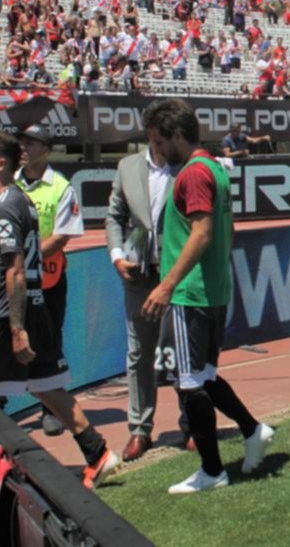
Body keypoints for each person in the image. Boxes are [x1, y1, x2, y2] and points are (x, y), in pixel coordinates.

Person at [0, 132, 119, 489]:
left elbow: (14, 269)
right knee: (48, 390)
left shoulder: (3, 207)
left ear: (0, 164)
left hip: (6, 315)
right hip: (35, 309)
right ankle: (97, 453)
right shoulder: (20, 202)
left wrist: (15, 329)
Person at [140, 99, 274, 494]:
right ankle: (252, 429)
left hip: (190, 294)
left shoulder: (194, 174)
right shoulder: (215, 167)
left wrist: (166, 286)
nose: (156, 150)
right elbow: (225, 232)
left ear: (177, 135)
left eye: (158, 141)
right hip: (211, 290)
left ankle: (213, 470)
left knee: (190, 383)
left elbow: (202, 233)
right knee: (203, 375)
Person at [105, 139, 190, 462]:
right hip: (138, 275)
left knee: (181, 350)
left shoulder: (188, 166)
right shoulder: (127, 167)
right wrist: (116, 256)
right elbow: (114, 216)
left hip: (177, 275)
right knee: (138, 353)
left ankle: (191, 425)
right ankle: (140, 429)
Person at [15, 125, 84, 438]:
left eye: (31, 142)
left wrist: (23, 257)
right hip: (14, 282)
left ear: (46, 149)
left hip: (49, 280)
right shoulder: (10, 184)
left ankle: (51, 409)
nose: (24, 147)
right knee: (10, 340)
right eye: (22, 142)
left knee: (49, 342)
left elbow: (62, 237)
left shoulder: (61, 186)